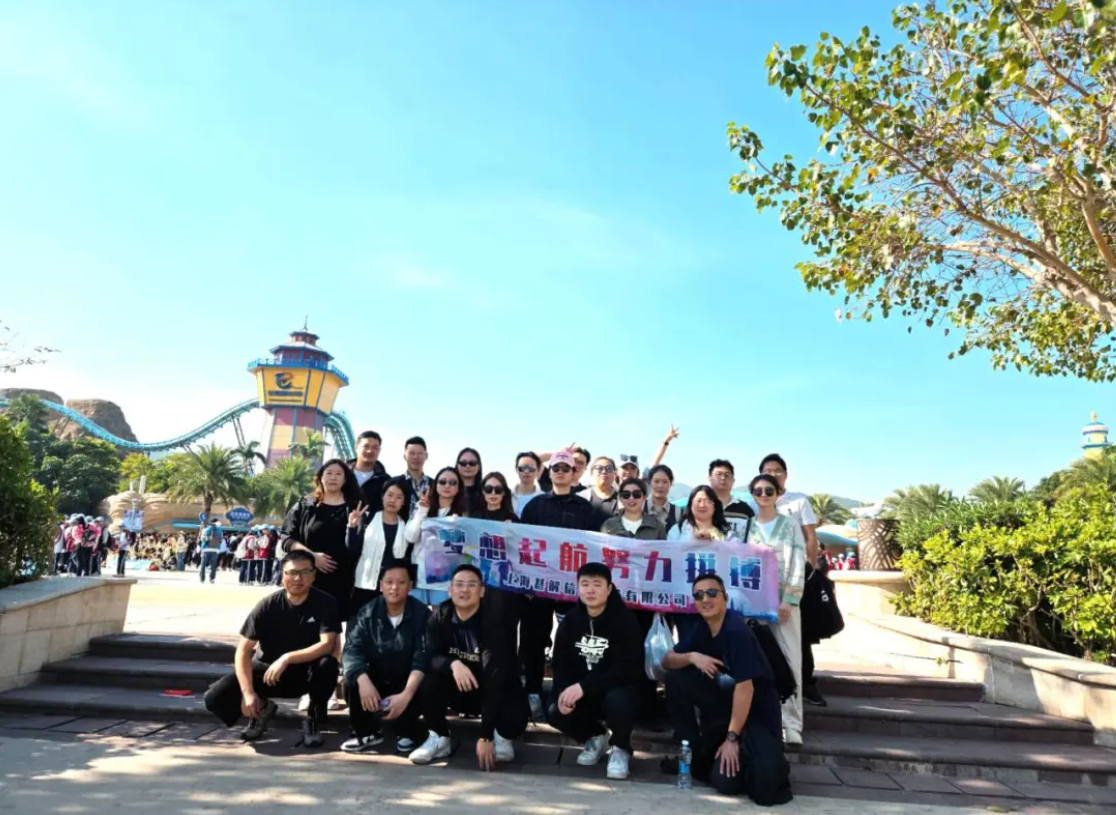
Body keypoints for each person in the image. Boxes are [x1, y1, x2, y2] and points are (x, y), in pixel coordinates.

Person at [662, 573, 790, 803]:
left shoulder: (736, 632)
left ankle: (750, 755)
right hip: (725, 708)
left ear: (725, 598)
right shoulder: (702, 628)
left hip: (756, 715)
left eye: (712, 593)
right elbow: (667, 660)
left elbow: (746, 689)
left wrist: (732, 738)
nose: (705, 599)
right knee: (676, 678)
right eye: (699, 595)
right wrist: (692, 657)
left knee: (728, 783)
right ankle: (689, 752)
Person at [203, 550, 341, 747]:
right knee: (214, 697)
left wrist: (287, 658)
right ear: (282, 575)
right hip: (267, 673)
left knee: (328, 665)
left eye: (304, 572)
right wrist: (248, 693)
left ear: (313, 575)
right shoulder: (267, 605)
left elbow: (327, 644)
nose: (297, 578)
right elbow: (243, 650)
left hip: (307, 674)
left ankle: (313, 719)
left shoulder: (326, 603)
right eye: (291, 572)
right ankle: (262, 708)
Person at [409, 564, 528, 769]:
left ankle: (500, 736)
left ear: (482, 591)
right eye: (459, 584)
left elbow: (494, 678)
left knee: (512, 700)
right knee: (429, 677)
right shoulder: (440, 616)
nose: (465, 590)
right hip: (459, 688)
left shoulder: (493, 622)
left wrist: (485, 735)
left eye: (472, 585)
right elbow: (430, 656)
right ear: (450, 590)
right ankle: (439, 737)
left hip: (490, 689)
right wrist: (452, 663)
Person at [519, 450, 605, 720]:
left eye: (565, 468)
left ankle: (565, 692)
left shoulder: (586, 509)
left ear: (574, 472)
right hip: (538, 587)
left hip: (572, 589)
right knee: (533, 639)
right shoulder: (535, 506)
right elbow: (522, 544)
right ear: (549, 472)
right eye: (555, 468)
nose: (559, 472)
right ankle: (533, 691)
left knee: (570, 642)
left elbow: (595, 547)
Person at [546, 563, 643, 780]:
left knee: (619, 700)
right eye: (585, 584)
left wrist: (584, 686)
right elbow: (560, 664)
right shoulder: (571, 621)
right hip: (582, 693)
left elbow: (625, 670)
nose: (590, 590)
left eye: (597, 584)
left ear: (609, 589)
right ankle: (596, 736)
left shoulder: (625, 620)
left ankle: (621, 748)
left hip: (616, 690)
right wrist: (563, 692)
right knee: (554, 709)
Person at [755, 454, 824, 707]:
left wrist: (810, 568)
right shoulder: (756, 504)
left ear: (786, 474)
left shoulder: (799, 501)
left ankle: (805, 686)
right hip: (763, 588)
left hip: (795, 578)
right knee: (765, 639)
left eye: (777, 470)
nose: (772, 475)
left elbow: (810, 536)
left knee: (798, 637)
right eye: (767, 470)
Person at [341, 563, 430, 754]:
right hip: (377, 680)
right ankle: (366, 732)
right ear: (380, 585)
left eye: (401, 582)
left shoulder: (422, 614)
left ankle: (407, 731)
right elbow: (351, 649)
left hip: (407, 681)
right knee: (352, 678)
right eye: (389, 582)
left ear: (410, 586)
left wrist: (406, 694)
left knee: (427, 679)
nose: (394, 587)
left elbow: (422, 656)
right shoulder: (367, 612)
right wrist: (363, 680)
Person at [747, 473, 807, 745]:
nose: (763, 495)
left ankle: (791, 723)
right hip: (754, 604)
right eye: (758, 491)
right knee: (758, 661)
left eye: (769, 490)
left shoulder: (790, 525)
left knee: (789, 659)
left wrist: (790, 600)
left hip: (784, 605)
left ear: (778, 493)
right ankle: (763, 718)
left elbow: (798, 562)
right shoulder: (748, 527)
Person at [281, 459, 361, 620]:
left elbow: (357, 547)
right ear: (320, 478)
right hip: (307, 577)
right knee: (303, 624)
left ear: (345, 479)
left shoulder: (354, 507)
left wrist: (353, 527)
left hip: (341, 580)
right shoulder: (305, 505)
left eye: (338, 474)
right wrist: (312, 557)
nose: (333, 477)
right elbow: (287, 538)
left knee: (332, 627)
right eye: (329, 473)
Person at [403, 466, 468, 606]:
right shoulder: (421, 506)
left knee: (442, 619)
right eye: (442, 482)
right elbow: (410, 537)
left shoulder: (464, 515)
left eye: (453, 482)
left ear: (459, 488)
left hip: (444, 581)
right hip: (419, 578)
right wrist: (422, 511)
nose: (447, 486)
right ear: (435, 484)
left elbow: (464, 551)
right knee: (416, 618)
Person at [347, 478, 410, 615]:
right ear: (383, 496)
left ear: (404, 502)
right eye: (390, 495)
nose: (393, 500)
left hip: (392, 589)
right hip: (365, 583)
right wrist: (352, 526)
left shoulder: (406, 525)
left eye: (398, 497)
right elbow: (352, 548)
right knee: (359, 623)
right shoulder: (367, 518)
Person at [601, 478, 665, 540]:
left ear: (644, 498)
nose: (631, 498)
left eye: (636, 494)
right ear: (620, 499)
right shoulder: (609, 525)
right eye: (626, 495)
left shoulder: (657, 527)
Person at [667, 486, 737, 543]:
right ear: (690, 505)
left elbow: (736, 551)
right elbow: (670, 553)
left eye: (708, 501)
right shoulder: (677, 530)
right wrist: (693, 539)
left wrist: (713, 540)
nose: (702, 505)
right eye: (698, 501)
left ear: (715, 506)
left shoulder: (726, 532)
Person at [708, 459, 755, 540]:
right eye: (718, 474)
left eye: (727, 475)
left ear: (733, 480)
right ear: (710, 478)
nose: (723, 478)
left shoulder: (745, 509)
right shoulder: (701, 507)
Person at [351, 430, 390, 515]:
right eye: (366, 446)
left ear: (379, 450)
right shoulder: (341, 474)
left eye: (375, 447)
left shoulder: (385, 481)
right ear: (356, 447)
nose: (370, 451)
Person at [645, 464, 685, 531]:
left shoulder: (678, 513)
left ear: (671, 483)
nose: (660, 485)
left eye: (665, 482)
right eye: (656, 481)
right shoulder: (639, 509)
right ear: (649, 482)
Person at [400, 437, 432, 518]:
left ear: (426, 456)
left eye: (420, 453)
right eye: (412, 453)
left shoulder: (435, 485)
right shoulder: (394, 483)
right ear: (404, 456)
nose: (416, 457)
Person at [512, 451, 545, 515]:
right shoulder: (505, 496)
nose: (526, 471)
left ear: (538, 471)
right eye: (522, 468)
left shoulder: (544, 499)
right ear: (516, 469)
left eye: (531, 468)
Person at [455, 447, 484, 515]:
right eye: (463, 463)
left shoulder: (488, 491)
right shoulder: (446, 490)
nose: (468, 466)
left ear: (479, 466)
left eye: (472, 463)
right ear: (457, 465)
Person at [199, 519, 223, 584]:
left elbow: (202, 539)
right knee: (213, 565)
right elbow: (221, 540)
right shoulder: (220, 530)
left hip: (206, 549)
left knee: (203, 565)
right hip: (215, 550)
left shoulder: (205, 529)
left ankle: (202, 579)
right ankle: (212, 578)